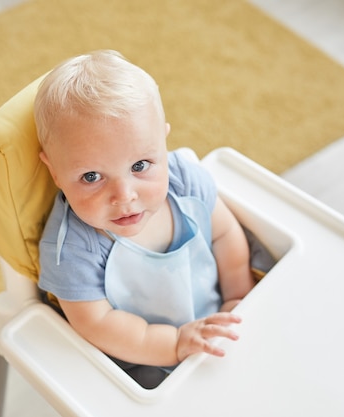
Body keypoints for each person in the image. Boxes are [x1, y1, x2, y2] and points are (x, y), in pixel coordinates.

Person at [34, 50, 258, 388]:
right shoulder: (71, 249)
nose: (124, 195)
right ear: (54, 170)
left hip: (220, 325)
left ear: (163, 142)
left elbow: (225, 233)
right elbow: (97, 324)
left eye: (140, 166)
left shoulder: (185, 181)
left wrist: (237, 296)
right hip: (144, 364)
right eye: (92, 176)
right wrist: (174, 344)